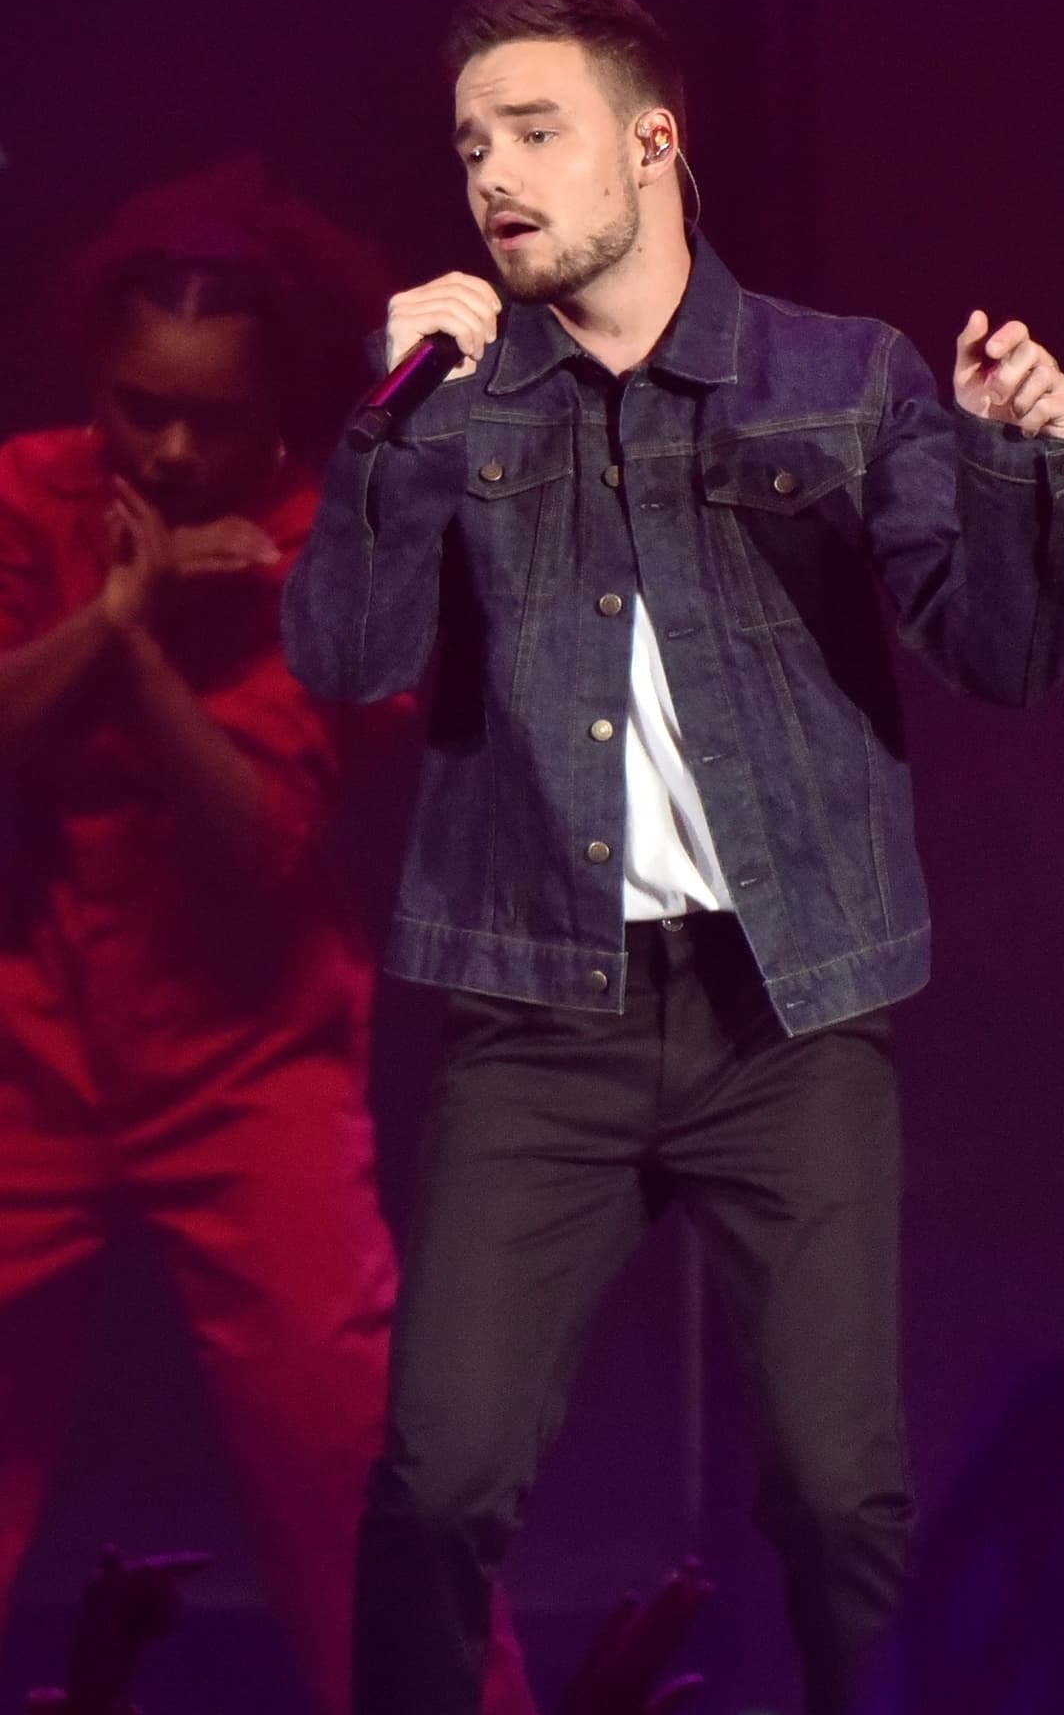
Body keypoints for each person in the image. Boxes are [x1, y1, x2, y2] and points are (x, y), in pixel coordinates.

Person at [282, 0, 1064, 1715]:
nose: (492, 177)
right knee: (435, 1490)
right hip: (538, 1024)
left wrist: (1031, 469)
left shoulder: (838, 376)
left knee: (834, 1499)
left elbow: (1003, 657)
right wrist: (395, 428)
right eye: (469, 147)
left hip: (781, 1021)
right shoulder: (458, 397)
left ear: (653, 143)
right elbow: (342, 662)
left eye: (534, 132)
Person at [0, 163, 534, 1715]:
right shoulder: (30, 492)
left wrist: (142, 649)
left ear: (280, 410)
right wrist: (117, 616)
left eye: (209, 419)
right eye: (135, 406)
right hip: (29, 1047)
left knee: (345, 1454)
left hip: (247, 1071)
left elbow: (262, 844)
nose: (166, 449)